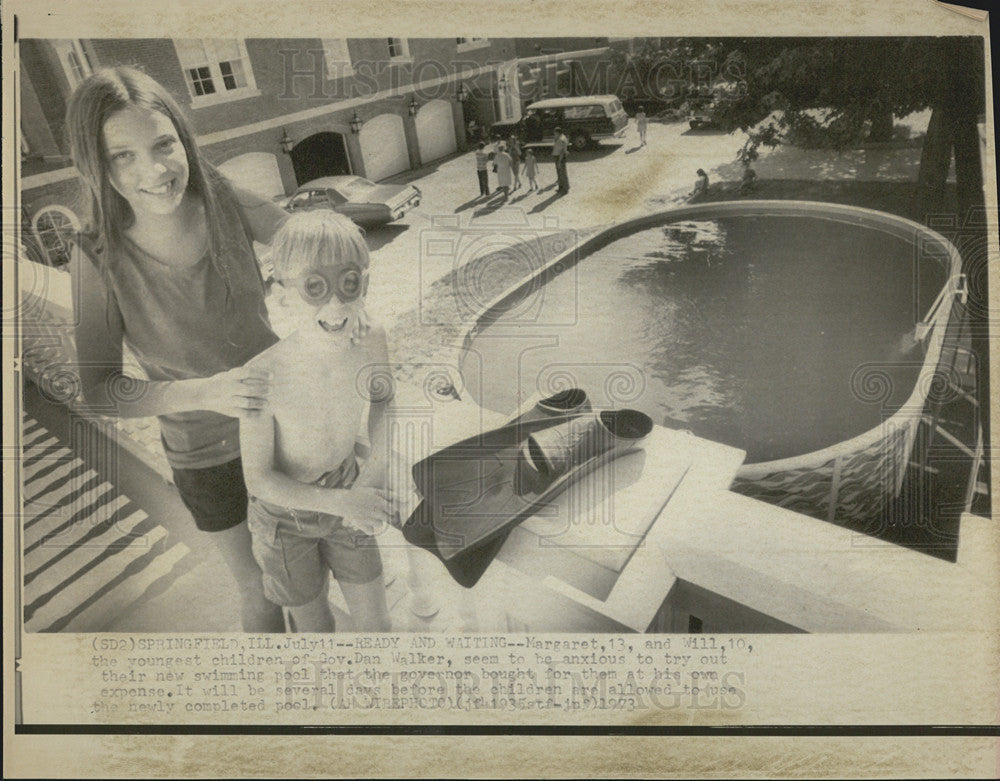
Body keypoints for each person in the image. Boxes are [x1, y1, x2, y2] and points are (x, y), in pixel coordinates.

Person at [65, 66, 331, 632]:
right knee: (259, 592)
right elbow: (101, 390)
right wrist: (208, 391)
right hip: (205, 459)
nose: (156, 171)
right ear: (97, 165)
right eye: (123, 157)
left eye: (164, 144)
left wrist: (322, 272)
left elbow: (305, 243)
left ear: (183, 139)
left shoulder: (219, 195)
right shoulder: (94, 257)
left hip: (287, 426)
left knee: (309, 582)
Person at [239, 211, 394, 632]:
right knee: (315, 633)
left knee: (376, 626)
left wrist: (373, 474)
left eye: (349, 284)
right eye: (314, 287)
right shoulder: (262, 376)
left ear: (366, 281)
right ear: (283, 294)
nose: (336, 305)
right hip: (285, 520)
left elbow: (384, 400)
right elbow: (259, 479)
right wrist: (341, 502)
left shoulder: (371, 338)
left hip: (349, 490)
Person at [552, 127, 570, 195]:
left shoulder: (561, 139)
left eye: (555, 132)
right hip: (557, 156)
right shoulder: (561, 137)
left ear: (557, 132)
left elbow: (562, 151)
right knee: (559, 173)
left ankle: (565, 189)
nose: (554, 134)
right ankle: (561, 187)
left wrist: (559, 160)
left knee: (562, 173)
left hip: (560, 157)